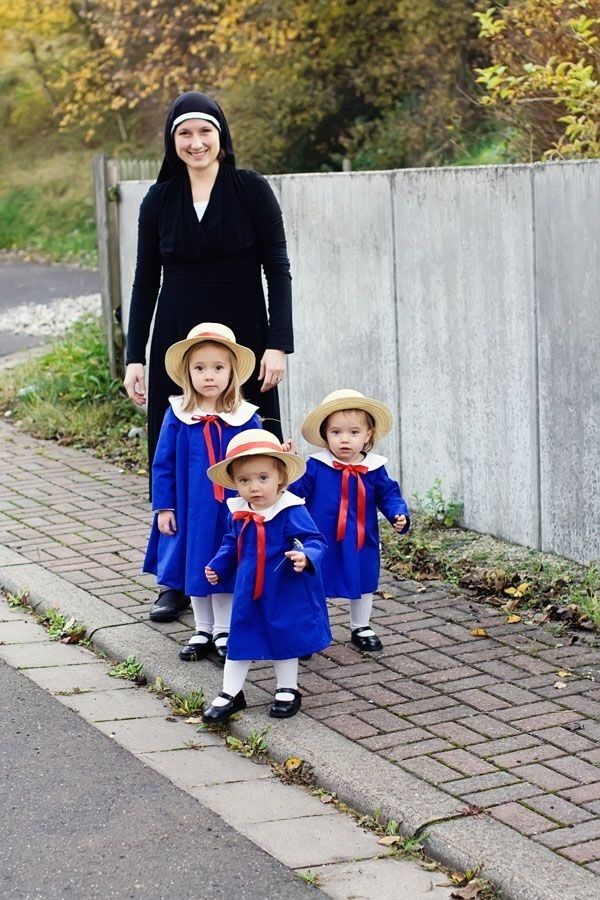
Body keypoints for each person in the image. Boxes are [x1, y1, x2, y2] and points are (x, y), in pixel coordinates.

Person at [123, 90, 293, 622]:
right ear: (173, 143)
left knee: (251, 448)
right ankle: (176, 578)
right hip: (177, 339)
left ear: (221, 136)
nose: (196, 144)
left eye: (205, 133)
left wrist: (278, 344)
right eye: (184, 135)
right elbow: (145, 279)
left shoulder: (251, 190)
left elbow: (278, 269)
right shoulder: (159, 199)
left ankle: (262, 565)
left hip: (244, 334)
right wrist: (134, 356)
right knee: (176, 453)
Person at [143, 322, 262, 659]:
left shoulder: (245, 417)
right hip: (190, 508)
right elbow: (163, 463)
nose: (209, 375)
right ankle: (202, 629)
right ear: (187, 372)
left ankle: (224, 630)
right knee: (196, 563)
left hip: (231, 509)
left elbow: (257, 459)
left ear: (232, 372)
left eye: (218, 367)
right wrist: (164, 506)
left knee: (224, 564)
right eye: (200, 368)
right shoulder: (179, 414)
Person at [201, 430, 331, 723]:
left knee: (283, 635)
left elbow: (315, 540)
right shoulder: (239, 510)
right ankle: (230, 692)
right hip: (250, 589)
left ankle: (287, 688)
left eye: (263, 478)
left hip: (284, 587)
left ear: (280, 478)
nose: (254, 487)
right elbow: (231, 542)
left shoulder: (290, 510)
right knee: (240, 636)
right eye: (244, 480)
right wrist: (219, 565)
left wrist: (305, 556)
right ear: (235, 483)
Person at [290, 389, 410, 652]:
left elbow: (389, 494)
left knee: (363, 579)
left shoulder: (374, 468)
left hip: (360, 537)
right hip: (321, 538)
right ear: (325, 435)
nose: (345, 440)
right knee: (315, 580)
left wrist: (398, 514)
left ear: (368, 435)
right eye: (336, 432)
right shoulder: (315, 466)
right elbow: (293, 494)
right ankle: (312, 629)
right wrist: (287, 467)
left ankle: (361, 626)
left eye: (354, 432)